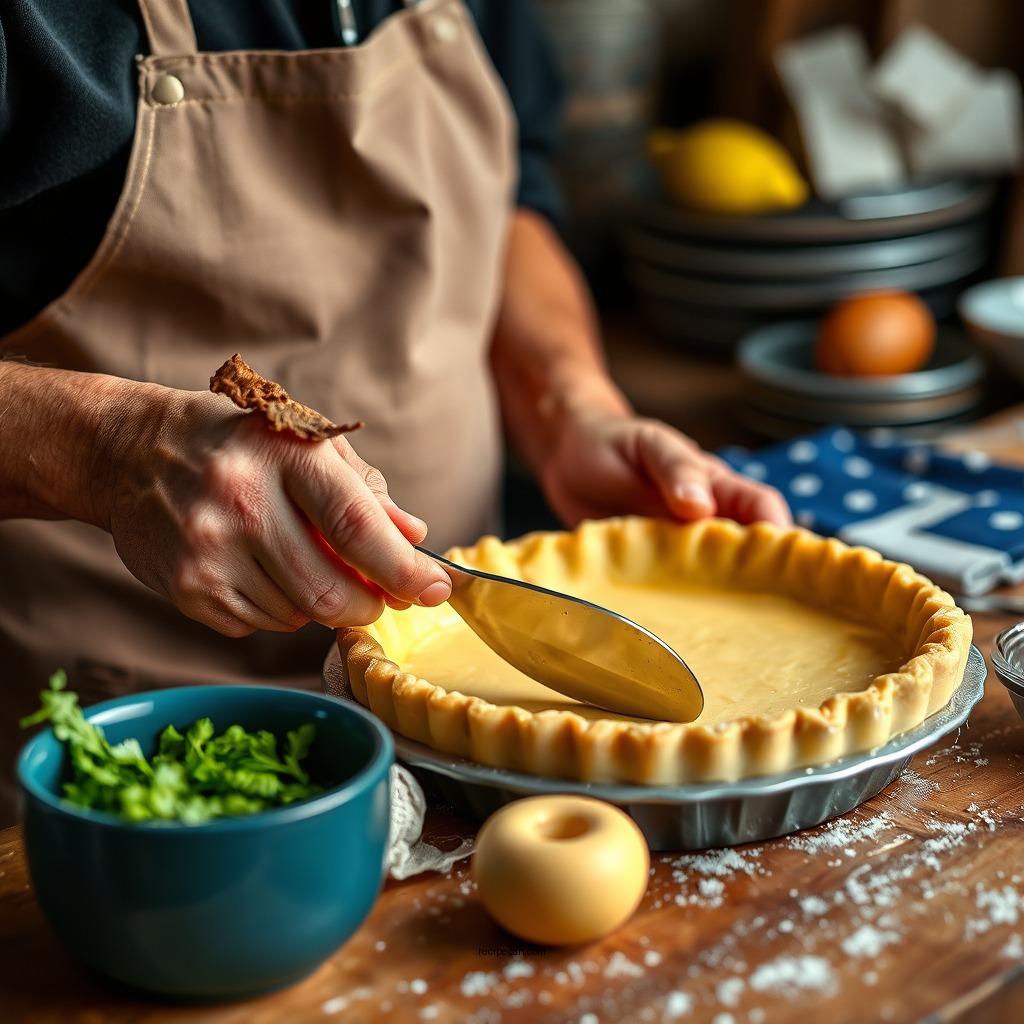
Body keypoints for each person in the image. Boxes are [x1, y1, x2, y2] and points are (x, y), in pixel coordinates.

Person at [0, 0, 790, 825]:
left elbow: (511, 199)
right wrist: (112, 450)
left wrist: (569, 404)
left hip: (473, 725)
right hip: (139, 757)